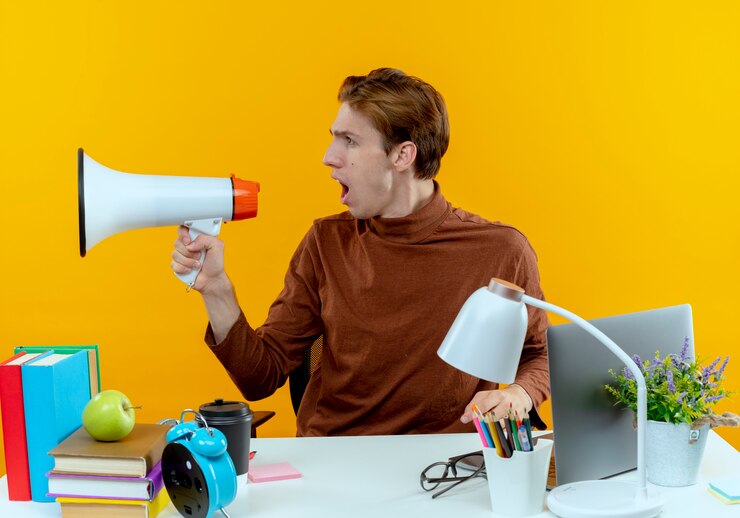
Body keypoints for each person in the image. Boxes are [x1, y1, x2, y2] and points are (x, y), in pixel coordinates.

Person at [171, 68, 550, 436]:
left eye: (349, 141)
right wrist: (215, 287)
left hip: (444, 464)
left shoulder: (500, 250)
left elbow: (540, 355)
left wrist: (520, 394)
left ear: (402, 156)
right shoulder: (325, 242)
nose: (329, 156)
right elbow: (260, 377)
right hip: (336, 460)